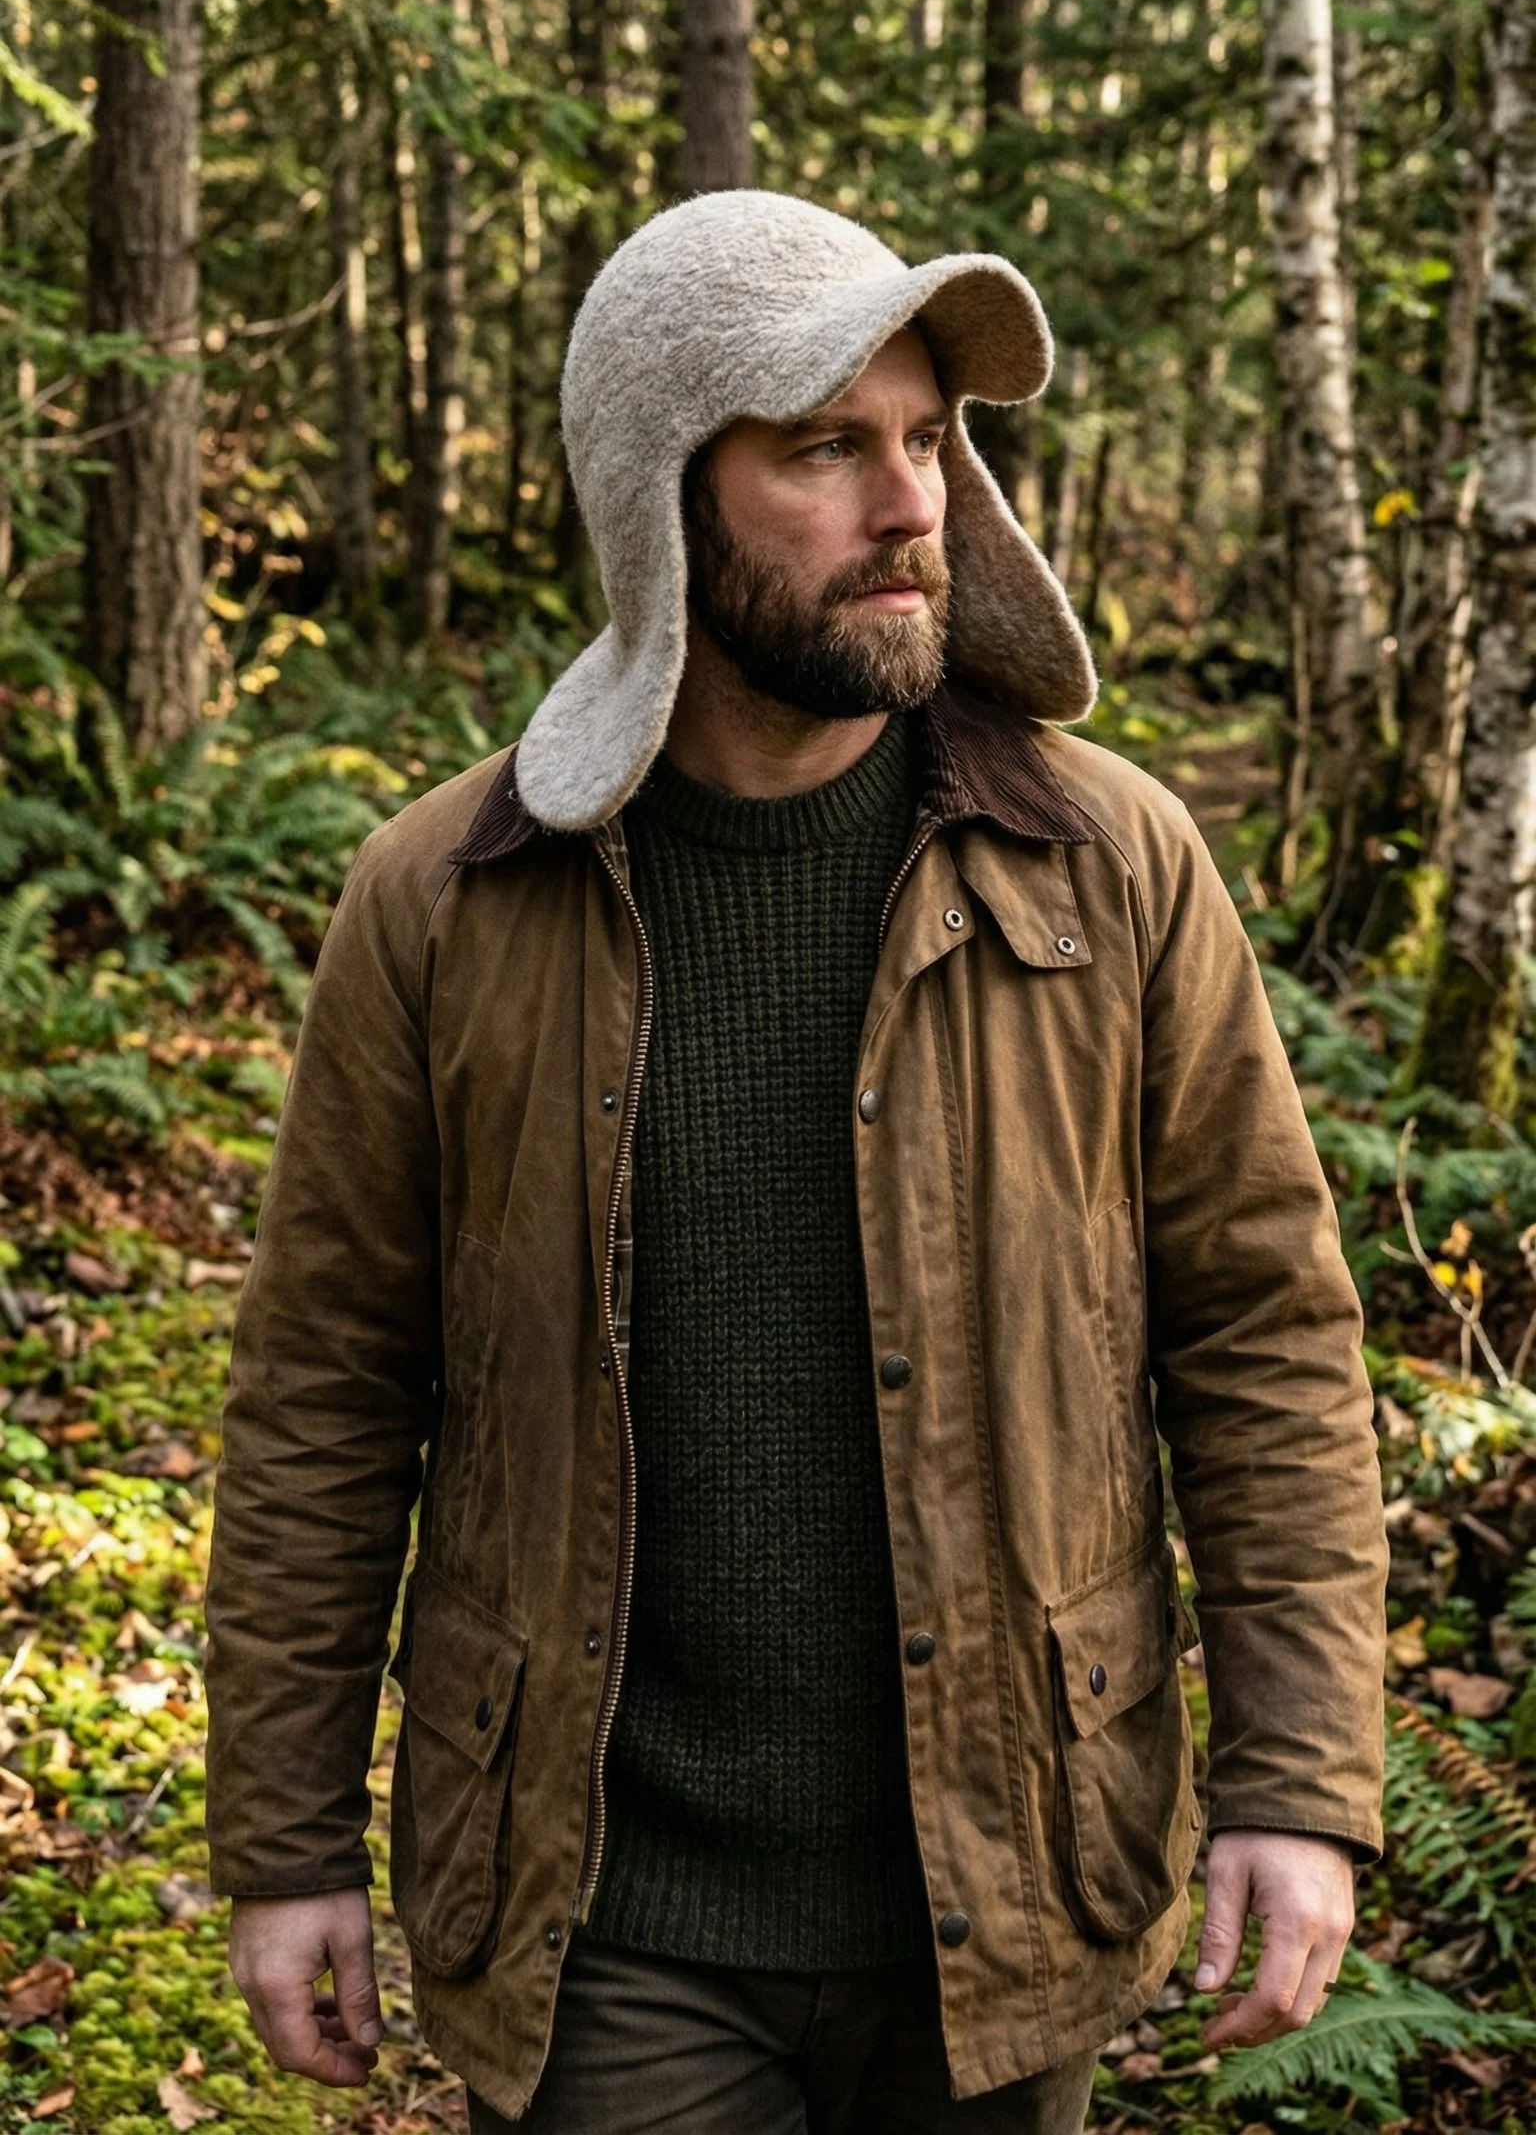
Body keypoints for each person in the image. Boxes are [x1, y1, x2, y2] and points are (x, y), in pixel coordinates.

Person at [205, 191, 1387, 2135]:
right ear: (664, 498)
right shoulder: (444, 900)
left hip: (1011, 1877)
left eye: (924, 436)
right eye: (825, 446)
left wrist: (1296, 1782)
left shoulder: (1111, 867)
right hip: (608, 1919)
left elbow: (1267, 1339)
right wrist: (286, 1834)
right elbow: (324, 1389)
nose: (911, 501)